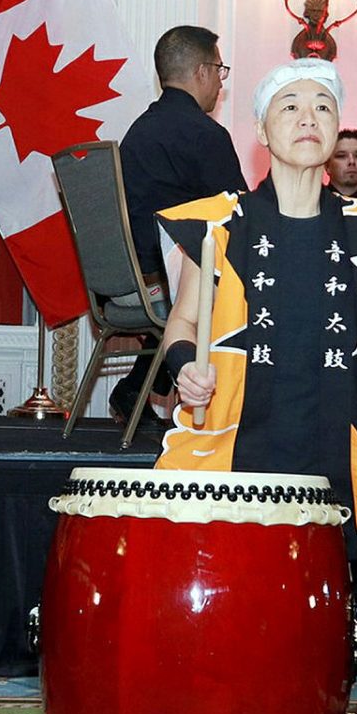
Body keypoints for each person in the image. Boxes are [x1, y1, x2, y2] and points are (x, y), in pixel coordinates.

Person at [157, 59, 357, 557]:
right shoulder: (221, 224)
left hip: (341, 442)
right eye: (290, 106)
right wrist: (185, 366)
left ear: (336, 129)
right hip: (236, 444)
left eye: (322, 107)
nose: (308, 119)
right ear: (261, 130)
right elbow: (183, 321)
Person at [105, 25, 246, 426]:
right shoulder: (205, 136)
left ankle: (136, 387)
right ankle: (235, 415)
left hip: (128, 275)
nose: (221, 83)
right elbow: (243, 220)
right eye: (220, 70)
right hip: (159, 282)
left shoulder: (140, 130)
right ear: (202, 71)